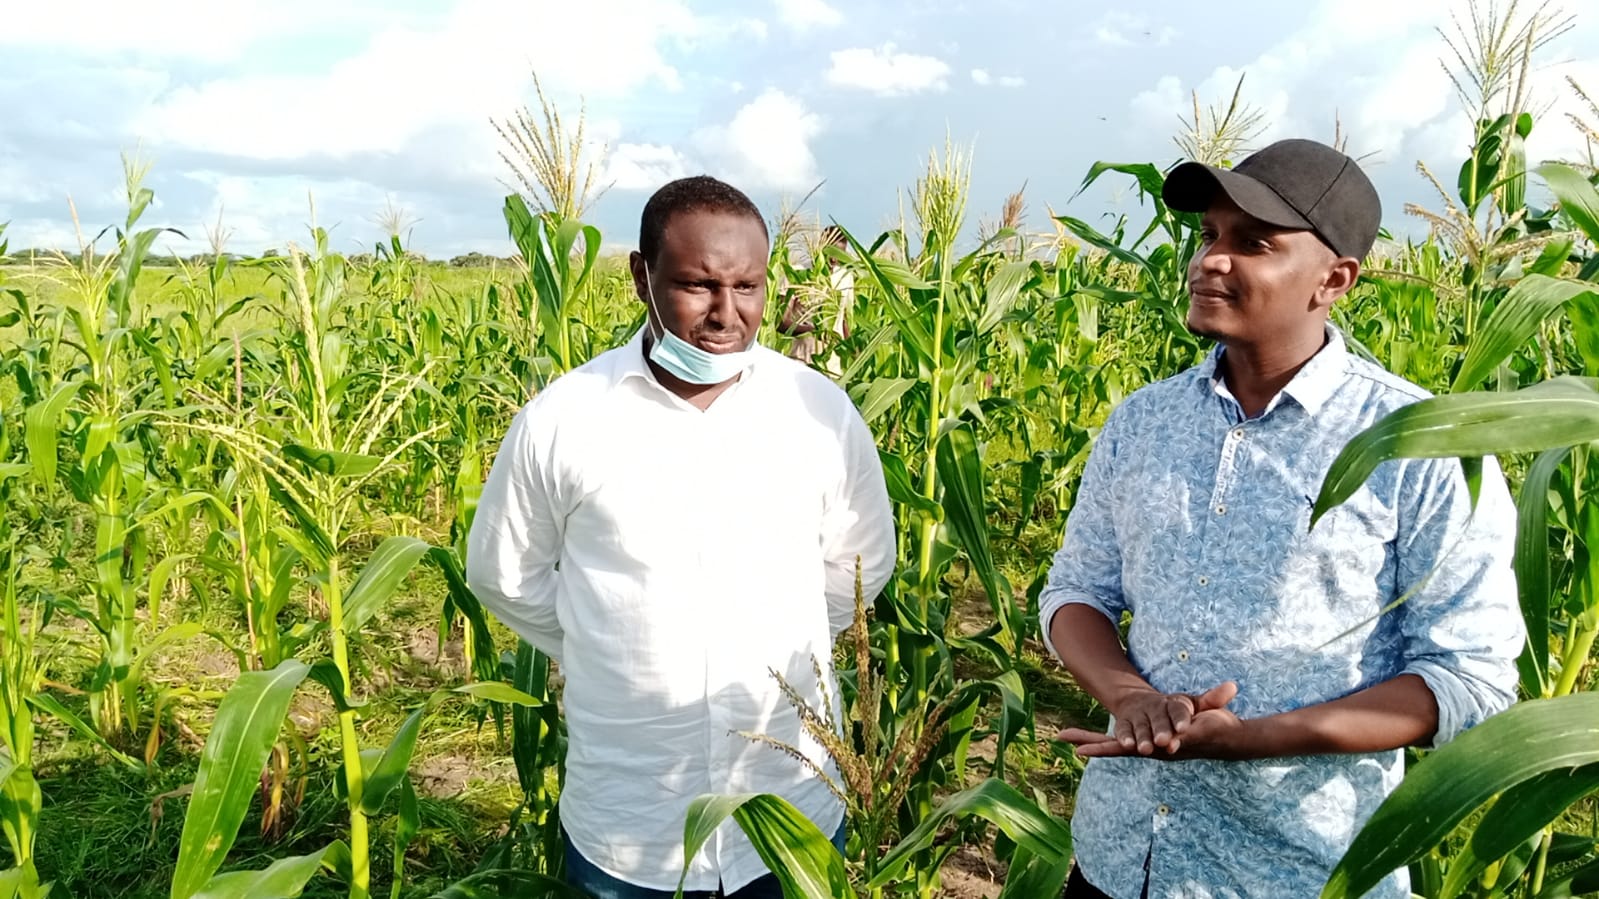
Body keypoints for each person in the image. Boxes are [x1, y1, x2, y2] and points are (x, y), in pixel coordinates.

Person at [1038, 139, 1524, 899]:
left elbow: (1468, 675)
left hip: (1299, 871)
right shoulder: (1142, 421)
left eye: (1252, 243)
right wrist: (1129, 697)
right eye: (1207, 236)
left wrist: (1252, 741)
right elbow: (1075, 592)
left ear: (1333, 279)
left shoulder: (1417, 445)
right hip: (1119, 857)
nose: (1209, 261)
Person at [465, 174, 897, 899]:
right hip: (632, 824)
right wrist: (609, 646)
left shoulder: (818, 413)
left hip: (786, 815)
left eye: (748, 287)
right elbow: (505, 574)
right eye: (697, 285)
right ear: (641, 275)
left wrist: (768, 640)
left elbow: (856, 565)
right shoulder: (564, 419)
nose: (727, 313)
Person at [777, 225, 854, 376]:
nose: (833, 259)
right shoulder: (796, 273)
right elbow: (780, 323)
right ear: (820, 247)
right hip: (800, 361)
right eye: (830, 251)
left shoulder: (846, 278)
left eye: (839, 254)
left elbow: (842, 320)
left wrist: (852, 349)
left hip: (832, 366)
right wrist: (813, 331)